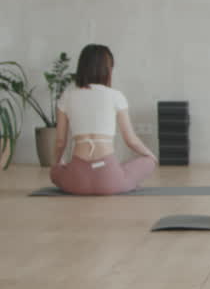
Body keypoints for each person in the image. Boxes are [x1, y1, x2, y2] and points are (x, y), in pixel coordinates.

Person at [49, 44, 158, 195]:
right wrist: (151, 156)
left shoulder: (67, 96)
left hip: (76, 181)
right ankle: (120, 176)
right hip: (109, 180)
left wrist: (57, 165)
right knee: (148, 162)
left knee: (55, 171)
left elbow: (60, 142)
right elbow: (131, 140)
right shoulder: (116, 96)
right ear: (108, 70)